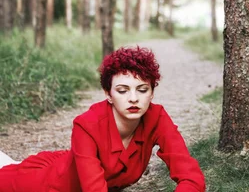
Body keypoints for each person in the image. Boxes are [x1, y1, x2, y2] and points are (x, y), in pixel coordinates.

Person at [0, 46, 206, 191]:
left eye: (142, 90)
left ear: (152, 92)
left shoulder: (157, 117)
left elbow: (191, 176)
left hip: (70, 161)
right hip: (52, 185)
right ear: (108, 94)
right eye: (122, 90)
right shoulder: (86, 124)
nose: (133, 99)